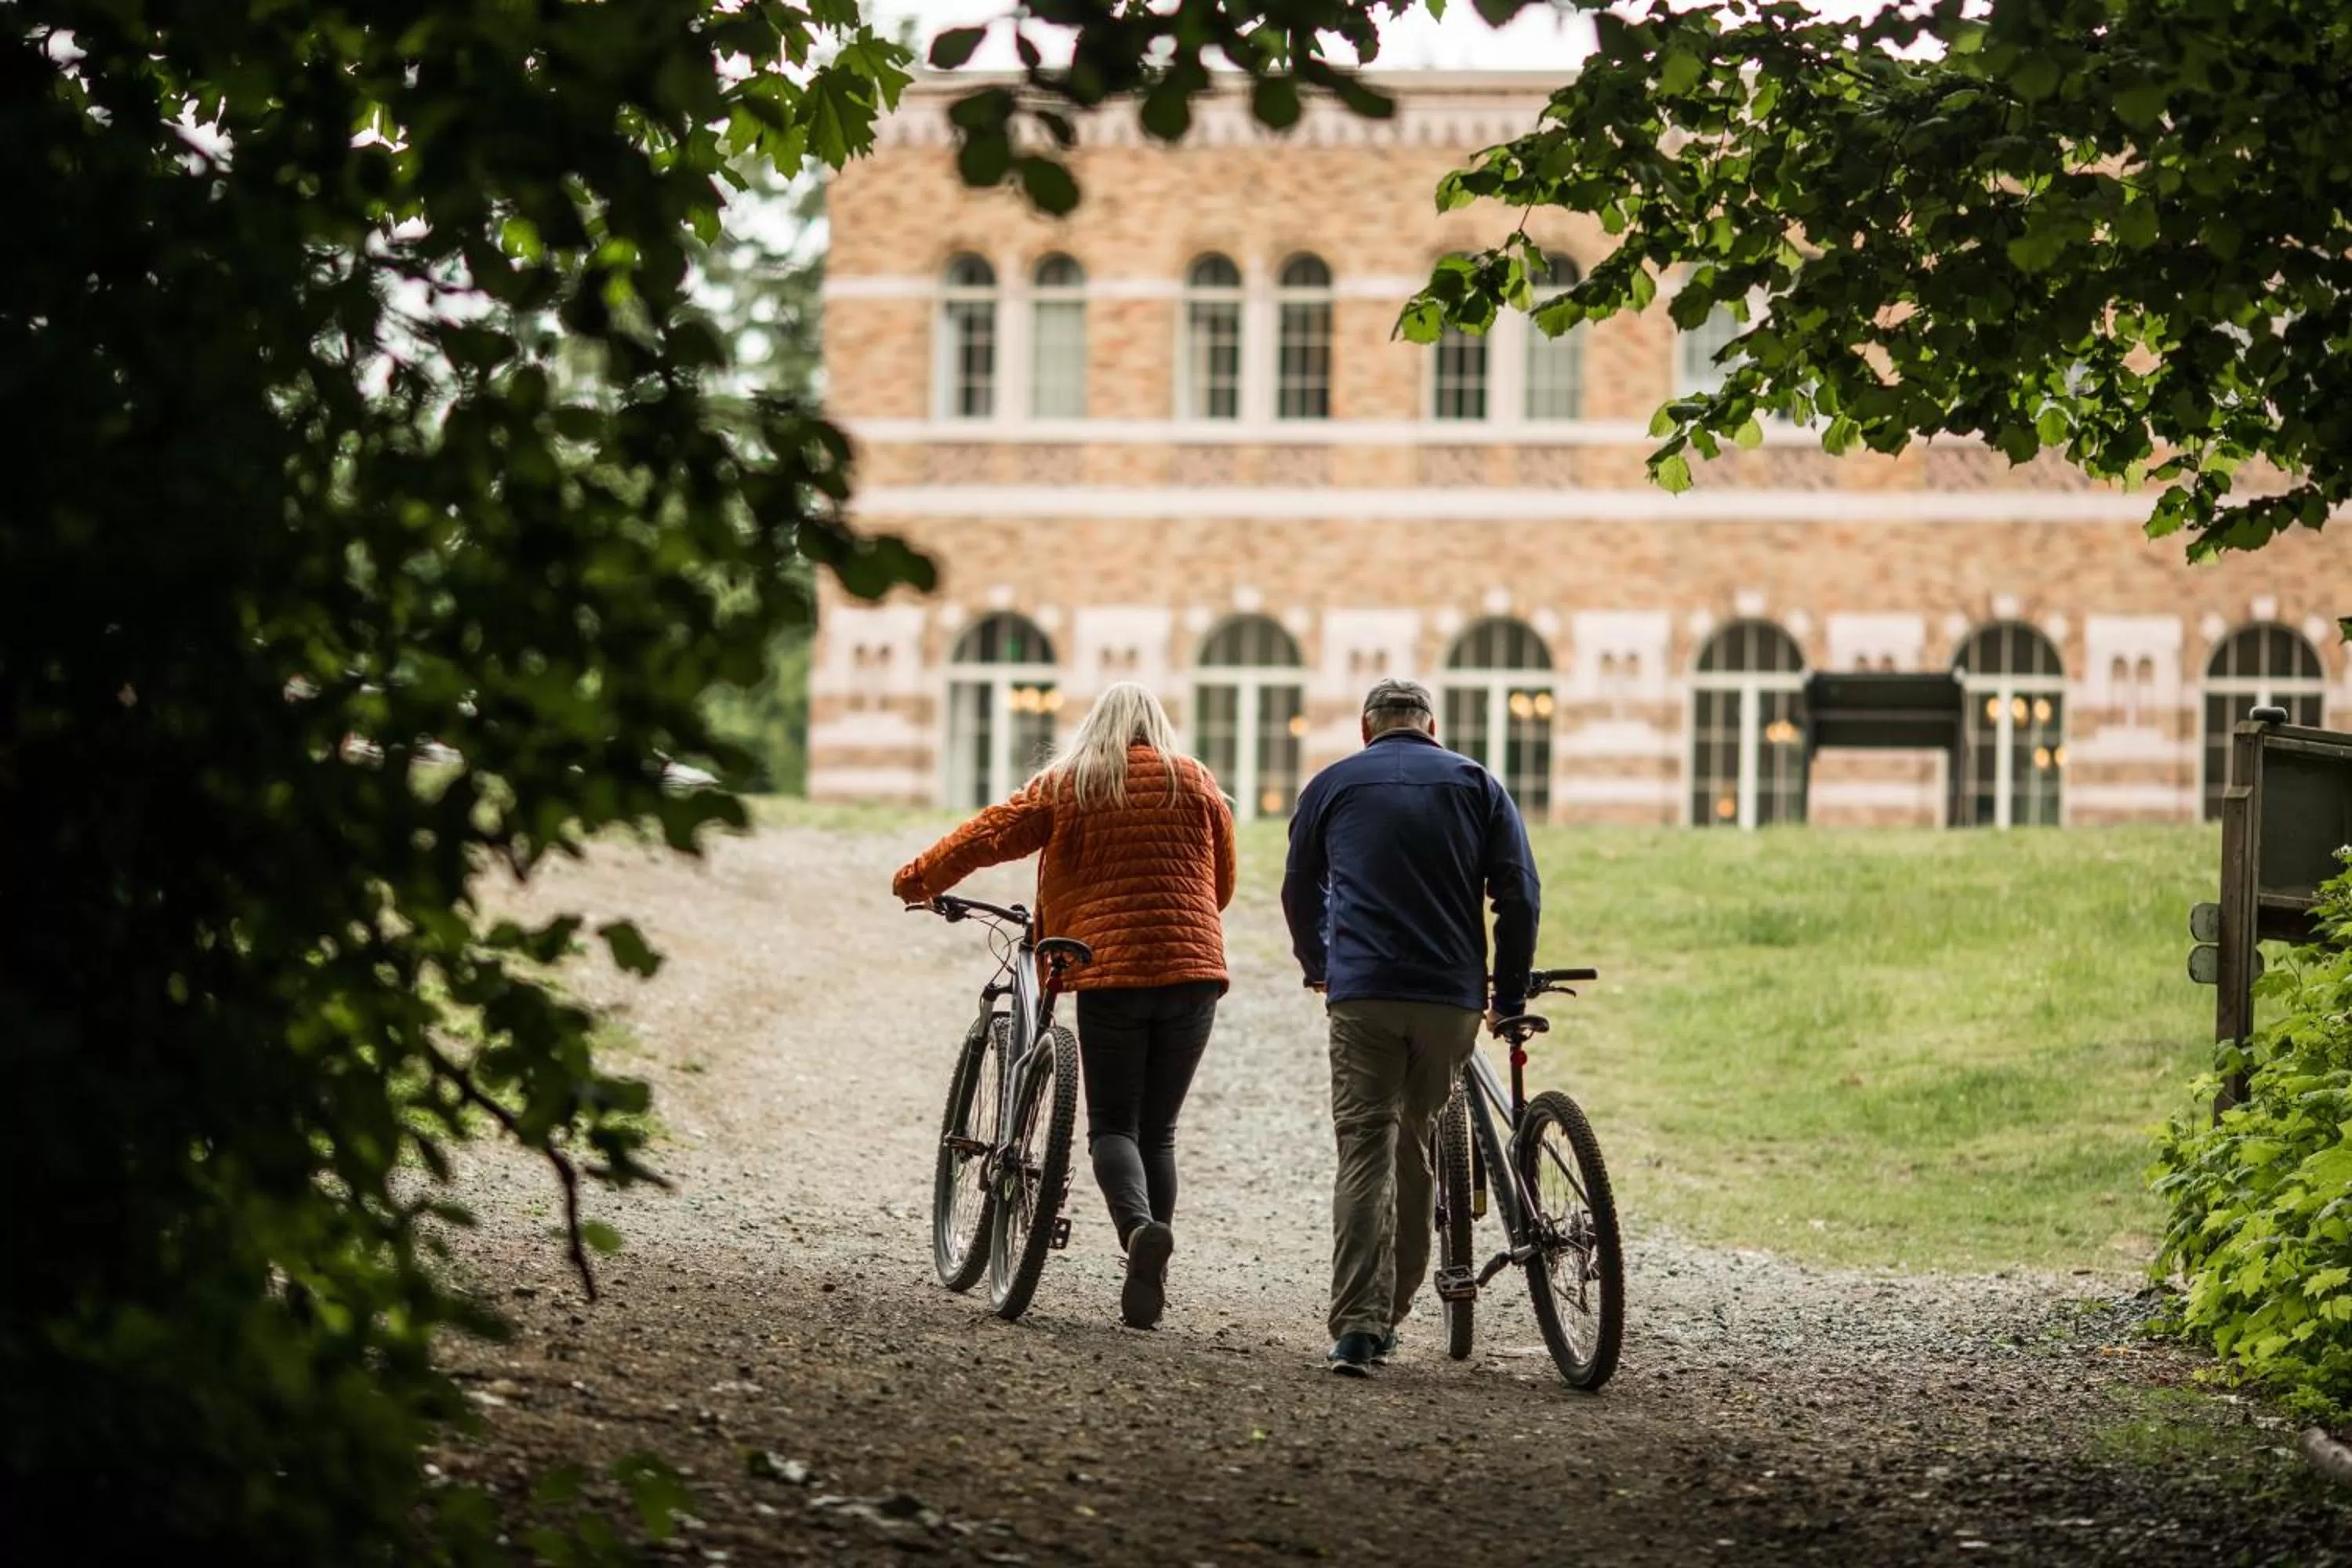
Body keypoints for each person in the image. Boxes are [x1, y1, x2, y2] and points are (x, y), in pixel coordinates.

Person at [892, 681, 1236, 1330]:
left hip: (1105, 970)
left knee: (1112, 1126)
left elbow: (988, 835)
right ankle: (1148, 1261)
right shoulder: (1195, 781)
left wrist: (918, 878)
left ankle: (1137, 1231)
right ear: (1157, 726)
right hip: (1193, 974)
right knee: (1158, 1130)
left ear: (1095, 727)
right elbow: (1221, 884)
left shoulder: (1071, 782)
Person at [1280, 677, 1541, 1377]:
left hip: (1363, 994)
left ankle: (1359, 1329)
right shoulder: (1477, 784)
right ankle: (1392, 1310)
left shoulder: (1332, 785)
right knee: (1415, 1139)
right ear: (1433, 726)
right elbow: (1519, 893)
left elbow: (1298, 887)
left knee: (1365, 1146)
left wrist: (1319, 965)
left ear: (1366, 730)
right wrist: (1506, 994)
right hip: (1448, 999)